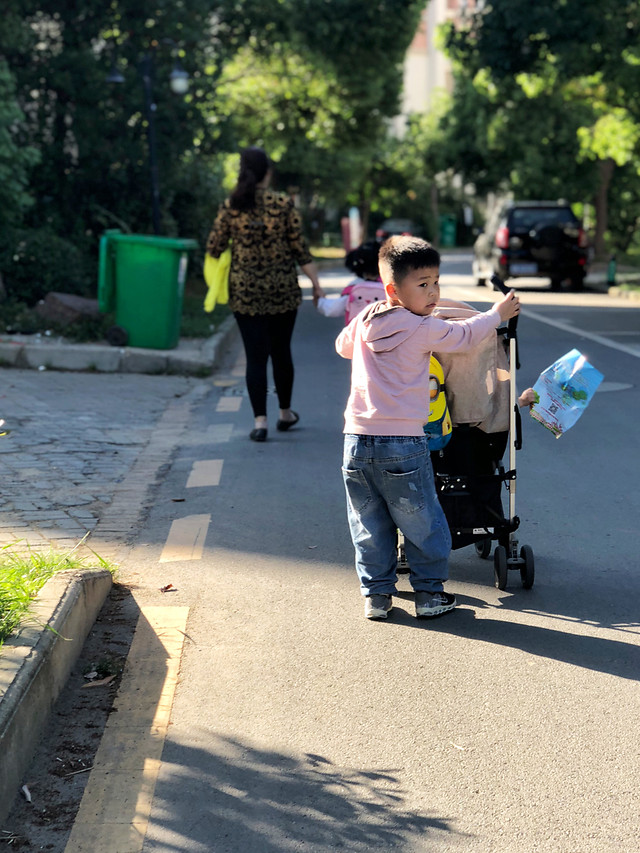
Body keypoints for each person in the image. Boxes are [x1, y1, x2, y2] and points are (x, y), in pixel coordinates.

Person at [335, 235, 521, 620]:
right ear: (393, 289)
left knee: (369, 523)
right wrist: (497, 314)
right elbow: (465, 336)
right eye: (423, 285)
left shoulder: (369, 318)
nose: (434, 293)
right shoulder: (421, 327)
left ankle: (377, 597)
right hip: (403, 441)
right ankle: (429, 596)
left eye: (436, 282)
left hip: (356, 441)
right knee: (423, 520)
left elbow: (342, 346)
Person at [207, 146, 325, 442]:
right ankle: (285, 413)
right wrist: (316, 285)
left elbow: (214, 247)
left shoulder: (232, 205)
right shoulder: (283, 204)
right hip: (282, 291)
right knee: (281, 352)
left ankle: (260, 422)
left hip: (245, 292)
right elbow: (301, 250)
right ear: (268, 173)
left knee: (255, 358)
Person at [317, 239, 385, 324]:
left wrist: (320, 300)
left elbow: (332, 309)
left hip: (357, 336)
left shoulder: (353, 287)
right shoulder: (390, 287)